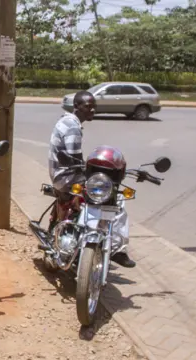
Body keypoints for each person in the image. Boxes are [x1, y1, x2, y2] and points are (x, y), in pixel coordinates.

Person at [47, 90, 135, 268]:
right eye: (88, 107)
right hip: (66, 177)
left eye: (94, 107)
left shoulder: (67, 121)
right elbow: (75, 158)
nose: (92, 110)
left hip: (61, 174)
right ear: (76, 106)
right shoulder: (72, 127)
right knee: (115, 199)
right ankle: (119, 249)